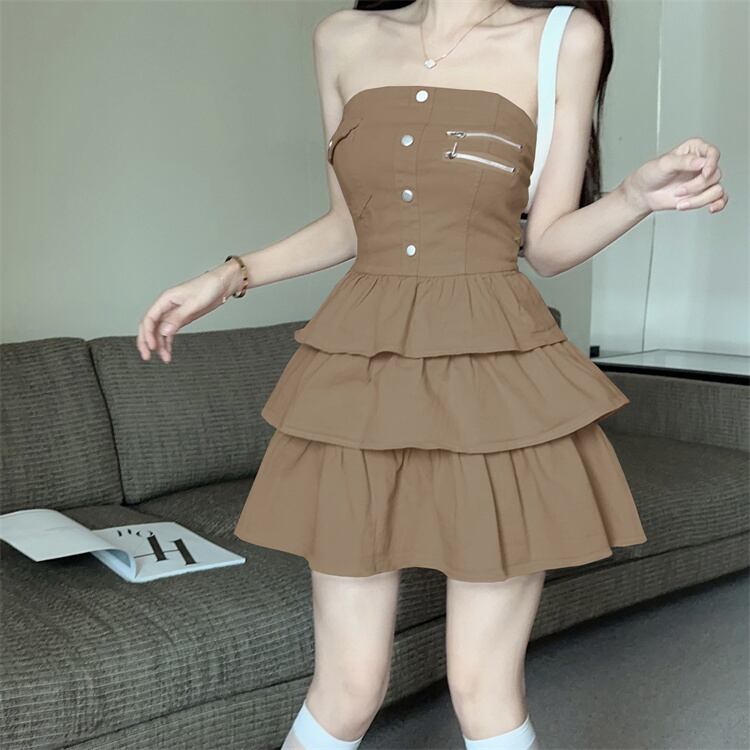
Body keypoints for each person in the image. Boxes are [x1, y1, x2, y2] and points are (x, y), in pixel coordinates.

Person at [136, 1, 728, 748]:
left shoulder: (564, 38)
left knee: (482, 689)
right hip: (361, 380)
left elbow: (545, 247)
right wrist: (229, 276)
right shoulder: (341, 38)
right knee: (347, 687)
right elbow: (349, 225)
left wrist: (635, 197)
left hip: (495, 385)